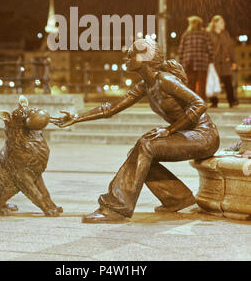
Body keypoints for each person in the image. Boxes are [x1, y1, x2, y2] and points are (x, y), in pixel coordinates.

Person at [50, 39, 220, 223]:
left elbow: (199, 103)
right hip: (188, 134)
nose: (127, 57)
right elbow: (111, 109)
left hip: (204, 136)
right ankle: (177, 198)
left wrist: (169, 130)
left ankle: (116, 207)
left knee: (145, 146)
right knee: (138, 153)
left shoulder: (165, 79)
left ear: (147, 58)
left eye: (132, 54)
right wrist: (76, 117)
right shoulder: (145, 85)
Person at [178, 16, 214, 100]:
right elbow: (210, 49)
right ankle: (201, 101)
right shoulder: (205, 34)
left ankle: (191, 101)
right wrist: (211, 60)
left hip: (189, 61)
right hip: (202, 62)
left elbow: (181, 49)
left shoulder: (186, 34)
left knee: (190, 83)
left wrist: (181, 61)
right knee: (202, 83)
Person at [207, 15, 238, 108]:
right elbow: (208, 48)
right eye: (221, 22)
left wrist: (233, 61)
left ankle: (231, 101)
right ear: (215, 23)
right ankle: (214, 101)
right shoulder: (209, 34)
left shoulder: (225, 34)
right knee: (213, 81)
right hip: (214, 62)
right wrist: (209, 60)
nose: (224, 24)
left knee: (228, 81)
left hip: (225, 61)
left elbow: (230, 48)